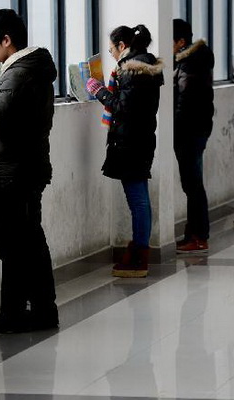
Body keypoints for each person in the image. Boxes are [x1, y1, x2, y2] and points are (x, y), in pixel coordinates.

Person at [0, 9, 59, 333]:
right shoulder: (34, 70)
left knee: (18, 243)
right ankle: (30, 310)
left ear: (7, 40)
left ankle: (24, 312)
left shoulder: (19, 74)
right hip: (27, 167)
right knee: (26, 241)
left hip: (14, 171)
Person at [86, 25, 164, 277]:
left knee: (137, 199)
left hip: (131, 142)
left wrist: (99, 92)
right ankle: (139, 250)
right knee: (139, 197)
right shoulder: (146, 68)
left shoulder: (132, 72)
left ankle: (139, 256)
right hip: (141, 139)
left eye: (112, 50)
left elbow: (123, 108)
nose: (112, 55)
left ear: (122, 46)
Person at [172, 18, 214, 253]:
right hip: (196, 129)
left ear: (181, 41)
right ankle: (195, 233)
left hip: (189, 131)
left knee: (193, 184)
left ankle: (198, 235)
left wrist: (173, 130)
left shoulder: (190, 64)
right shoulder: (195, 60)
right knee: (192, 184)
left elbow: (184, 103)